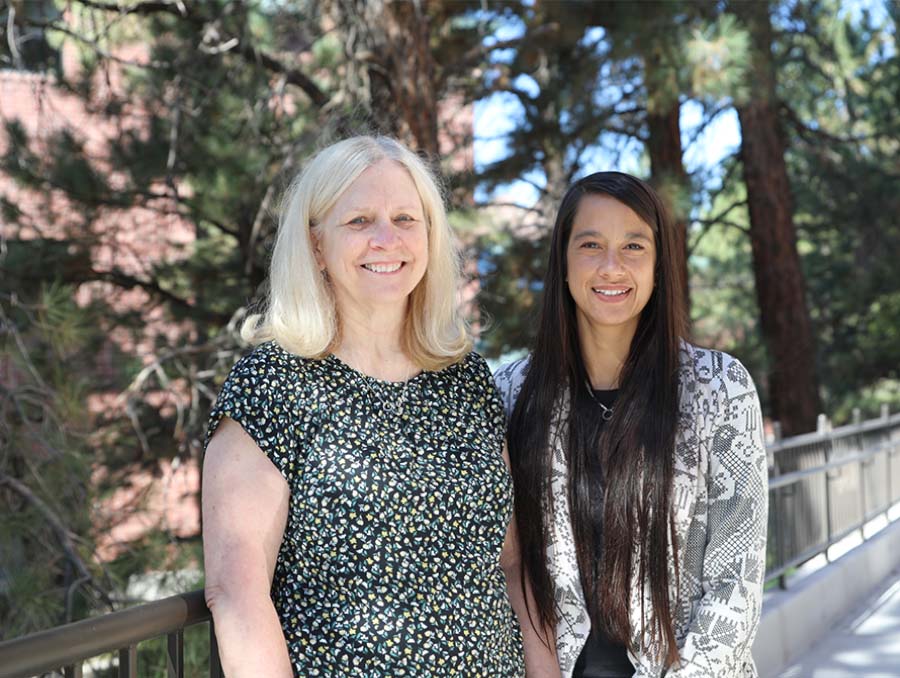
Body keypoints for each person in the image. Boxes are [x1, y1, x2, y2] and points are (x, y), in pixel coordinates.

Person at [202, 136, 528, 677]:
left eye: (405, 218)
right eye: (358, 221)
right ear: (315, 245)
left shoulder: (465, 377)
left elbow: (512, 566)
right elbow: (236, 591)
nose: (386, 239)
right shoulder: (273, 382)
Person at [494, 172, 768, 678]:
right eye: (590, 244)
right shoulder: (511, 395)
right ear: (563, 262)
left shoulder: (719, 389)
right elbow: (501, 565)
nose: (611, 266)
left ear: (660, 265)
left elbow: (737, 583)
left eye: (634, 246)